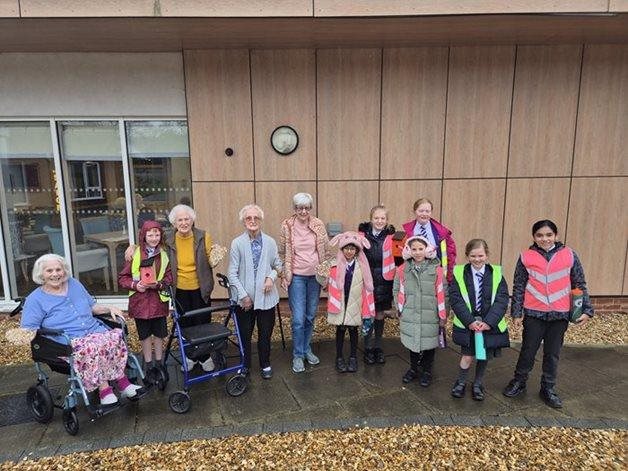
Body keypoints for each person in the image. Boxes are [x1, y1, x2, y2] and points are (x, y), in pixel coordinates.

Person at [20, 254, 144, 405]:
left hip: (92, 329)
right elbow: (28, 328)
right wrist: (24, 336)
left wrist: (109, 307)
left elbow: (92, 307)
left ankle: (123, 384)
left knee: (114, 336)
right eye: (49, 271)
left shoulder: (73, 284)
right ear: (41, 274)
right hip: (67, 339)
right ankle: (105, 391)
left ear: (64, 270)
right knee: (92, 347)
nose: (55, 274)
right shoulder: (35, 299)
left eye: (58, 269)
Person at [503, 220, 593, 409]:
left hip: (559, 314)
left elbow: (579, 283)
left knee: (552, 354)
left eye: (549, 235)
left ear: (556, 236)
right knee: (528, 351)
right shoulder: (526, 257)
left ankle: (548, 388)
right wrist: (517, 312)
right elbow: (518, 285)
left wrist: (586, 310)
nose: (544, 239)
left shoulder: (569, 255)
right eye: (540, 235)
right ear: (534, 237)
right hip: (534, 313)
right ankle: (519, 382)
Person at [124, 204, 216, 372]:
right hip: (179, 288)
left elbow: (212, 256)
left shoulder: (203, 236)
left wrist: (216, 257)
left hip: (201, 287)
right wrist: (133, 247)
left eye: (187, 219)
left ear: (192, 220)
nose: (184, 223)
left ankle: (205, 356)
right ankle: (190, 356)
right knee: (186, 324)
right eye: (180, 220)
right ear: (174, 223)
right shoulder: (168, 238)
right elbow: (150, 244)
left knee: (203, 322)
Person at [449, 239, 510, 401]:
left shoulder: (496, 274)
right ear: (467, 256)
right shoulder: (459, 273)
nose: (477, 259)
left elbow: (502, 299)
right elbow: (456, 299)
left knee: (483, 355)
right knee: (467, 356)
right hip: (468, 322)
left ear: (487, 255)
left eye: (481, 255)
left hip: (488, 323)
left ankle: (478, 383)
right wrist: (469, 321)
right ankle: (461, 382)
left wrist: (489, 322)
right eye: (473, 256)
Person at [279, 192, 332, 374]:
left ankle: (306, 348)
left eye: (306, 208)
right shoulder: (287, 225)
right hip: (297, 277)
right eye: (299, 208)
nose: (303, 211)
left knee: (310, 316)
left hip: (315, 277)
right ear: (294, 209)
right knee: (298, 319)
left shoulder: (318, 224)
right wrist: (283, 275)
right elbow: (282, 253)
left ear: (310, 208)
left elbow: (326, 251)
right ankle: (298, 354)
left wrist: (326, 275)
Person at [227, 204, 282, 379]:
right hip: (245, 300)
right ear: (243, 221)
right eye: (248, 218)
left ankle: (265, 364)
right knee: (245, 334)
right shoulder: (237, 243)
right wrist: (243, 296)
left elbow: (278, 266)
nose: (252, 221)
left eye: (256, 218)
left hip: (267, 298)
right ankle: (245, 365)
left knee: (265, 334)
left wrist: (271, 278)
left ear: (261, 220)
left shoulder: (270, 242)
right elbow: (232, 273)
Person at [118, 220, 173, 380]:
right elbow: (123, 278)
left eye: (157, 234)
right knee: (144, 336)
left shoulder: (163, 254)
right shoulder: (134, 253)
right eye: (150, 234)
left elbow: (169, 277)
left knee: (159, 334)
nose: (154, 238)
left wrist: (159, 284)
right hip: (140, 303)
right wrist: (135, 285)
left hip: (157, 303)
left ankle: (159, 362)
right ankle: (149, 364)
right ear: (144, 235)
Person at [317, 231, 375, 373]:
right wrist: (321, 274)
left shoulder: (361, 266)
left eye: (352, 248)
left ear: (356, 250)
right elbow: (324, 282)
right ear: (342, 249)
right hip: (340, 303)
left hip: (355, 303)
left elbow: (366, 286)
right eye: (346, 248)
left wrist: (366, 307)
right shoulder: (334, 264)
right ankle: (339, 357)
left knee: (353, 330)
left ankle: (353, 357)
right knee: (340, 330)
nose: (349, 251)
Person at [394, 236, 447, 387]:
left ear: (427, 250)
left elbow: (444, 293)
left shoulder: (436, 270)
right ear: (409, 251)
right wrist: (399, 308)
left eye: (420, 249)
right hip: (410, 312)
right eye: (414, 249)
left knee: (429, 343)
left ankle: (427, 371)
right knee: (413, 343)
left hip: (430, 314)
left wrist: (443, 314)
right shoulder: (403, 269)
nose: (417, 252)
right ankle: (414, 369)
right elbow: (396, 289)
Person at [358, 205, 397, 365]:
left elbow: (399, 258)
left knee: (380, 313)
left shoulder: (393, 237)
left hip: (384, 280)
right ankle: (367, 348)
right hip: (367, 279)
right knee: (368, 314)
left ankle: (378, 347)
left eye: (383, 218)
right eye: (376, 218)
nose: (379, 221)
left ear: (387, 220)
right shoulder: (362, 235)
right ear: (371, 219)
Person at [402, 197, 456, 282]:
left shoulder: (442, 232)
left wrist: (449, 277)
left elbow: (450, 255)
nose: (424, 214)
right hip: (413, 275)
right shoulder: (406, 231)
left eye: (427, 211)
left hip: (434, 274)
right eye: (421, 211)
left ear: (431, 212)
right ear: (414, 211)